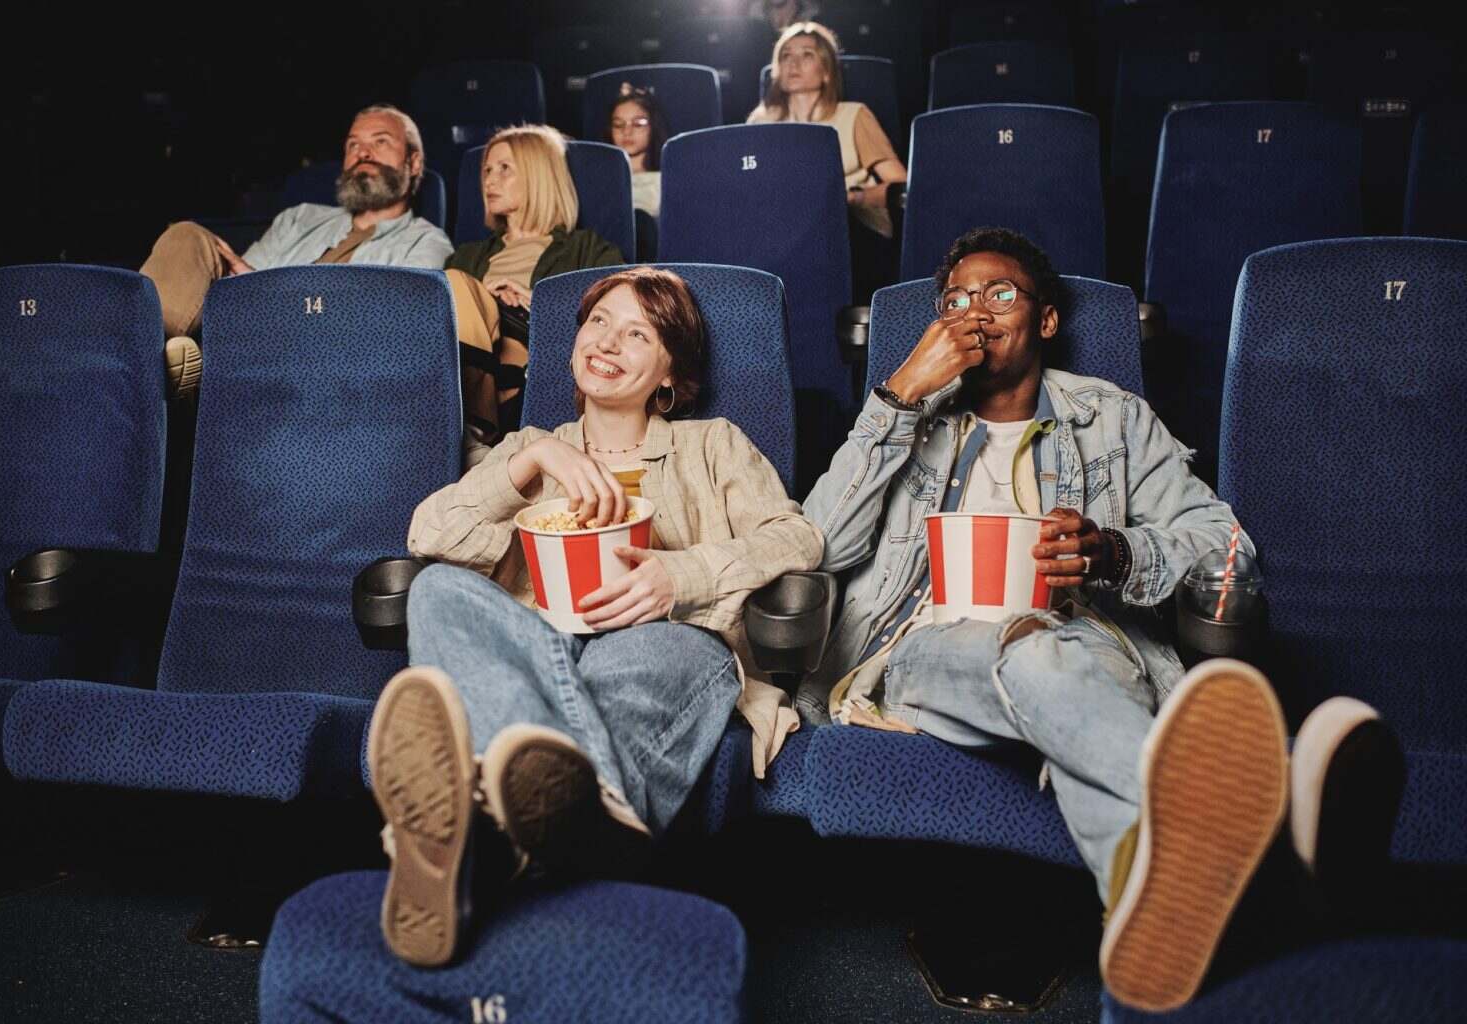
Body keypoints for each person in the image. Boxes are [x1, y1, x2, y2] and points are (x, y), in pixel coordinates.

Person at [799, 226, 1403, 1012]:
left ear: (1045, 321)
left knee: (1056, 655)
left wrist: (1116, 553)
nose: (975, 309)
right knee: (1028, 648)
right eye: (956, 298)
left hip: (1092, 648)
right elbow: (821, 546)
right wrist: (900, 397)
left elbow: (1230, 554)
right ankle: (1283, 823)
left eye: (1001, 293)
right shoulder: (910, 415)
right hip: (927, 655)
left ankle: (1149, 903)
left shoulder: (1113, 418)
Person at [368, 267, 823, 966]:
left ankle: (481, 849)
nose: (609, 341)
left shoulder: (715, 444)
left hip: (667, 642)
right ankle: (596, 825)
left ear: (670, 375)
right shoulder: (527, 450)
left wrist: (682, 574)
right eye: (599, 321)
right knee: (435, 592)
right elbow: (428, 534)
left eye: (639, 333)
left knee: (643, 655)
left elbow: (798, 539)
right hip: (538, 644)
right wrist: (534, 458)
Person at [140, 104, 453, 390]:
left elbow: (386, 320)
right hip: (246, 332)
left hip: (322, 353)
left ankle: (152, 365)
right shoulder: (300, 217)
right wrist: (251, 288)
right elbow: (234, 290)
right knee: (188, 233)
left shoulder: (427, 241)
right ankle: (146, 347)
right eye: (353, 145)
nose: (363, 153)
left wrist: (268, 290)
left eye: (380, 141)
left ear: (413, 163)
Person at [444, 124, 624, 445]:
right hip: (481, 354)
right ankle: (479, 427)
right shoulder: (467, 255)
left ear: (537, 175)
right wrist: (483, 299)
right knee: (453, 284)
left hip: (537, 345)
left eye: (504, 169)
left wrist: (541, 305)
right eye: (486, 170)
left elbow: (617, 315)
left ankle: (473, 430)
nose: (489, 180)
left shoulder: (587, 249)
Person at [746, 21, 906, 300]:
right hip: (779, 225)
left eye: (807, 54)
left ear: (827, 72)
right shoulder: (761, 120)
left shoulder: (853, 114)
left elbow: (901, 186)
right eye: (786, 55)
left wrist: (851, 198)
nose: (794, 62)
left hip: (850, 225)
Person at [606, 84, 668, 219]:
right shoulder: (600, 179)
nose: (626, 132)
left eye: (638, 124)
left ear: (653, 127)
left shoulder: (668, 180)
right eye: (618, 125)